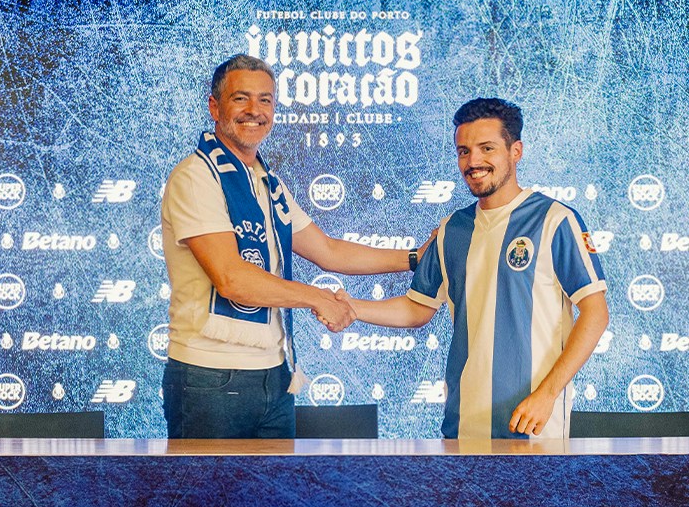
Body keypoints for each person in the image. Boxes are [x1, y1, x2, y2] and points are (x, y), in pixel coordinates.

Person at [160, 54, 422, 439]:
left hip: (275, 375)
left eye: (265, 100)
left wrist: (415, 258)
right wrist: (317, 297)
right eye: (241, 99)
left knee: (274, 500)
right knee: (212, 500)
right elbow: (232, 278)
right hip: (210, 379)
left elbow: (329, 251)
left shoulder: (268, 184)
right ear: (214, 106)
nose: (255, 111)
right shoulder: (196, 177)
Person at [344, 98, 610, 439]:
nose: (474, 161)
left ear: (516, 151)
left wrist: (547, 395)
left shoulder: (556, 220)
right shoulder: (452, 229)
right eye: (464, 151)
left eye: (487, 148)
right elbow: (416, 308)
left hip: (534, 426)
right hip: (463, 425)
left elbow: (596, 313)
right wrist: (352, 309)